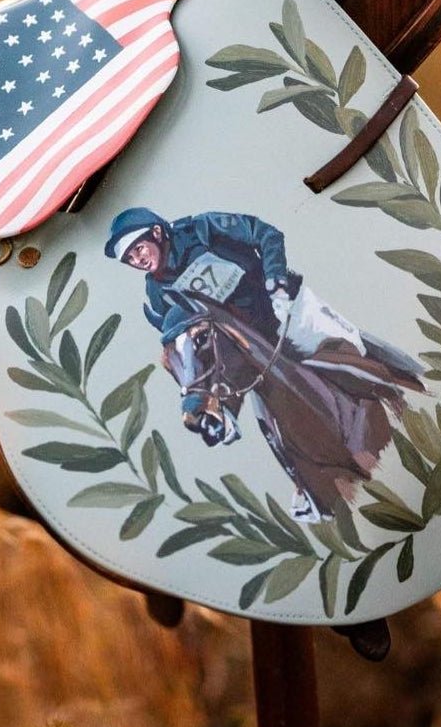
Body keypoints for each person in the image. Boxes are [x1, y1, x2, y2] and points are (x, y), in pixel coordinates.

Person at [105, 206, 424, 520]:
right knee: (266, 416)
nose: (138, 261)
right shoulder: (157, 291)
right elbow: (184, 345)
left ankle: (397, 389)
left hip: (282, 308)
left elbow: (266, 234)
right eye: (130, 259)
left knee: (344, 346)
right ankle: (308, 489)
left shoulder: (203, 228)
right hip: (247, 345)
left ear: (157, 232)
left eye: (138, 250)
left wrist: (276, 282)